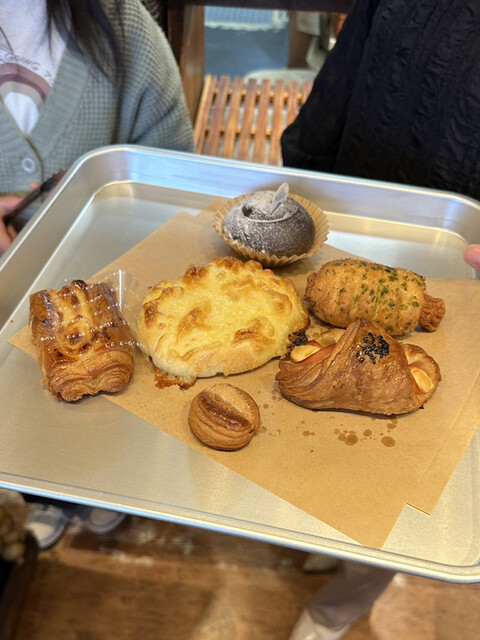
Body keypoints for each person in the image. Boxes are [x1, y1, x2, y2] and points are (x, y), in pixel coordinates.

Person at [281, 1, 480, 638]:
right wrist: (300, 175)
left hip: (461, 266)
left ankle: (335, 609)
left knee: (398, 475)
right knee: (315, 436)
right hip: (348, 222)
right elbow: (343, 77)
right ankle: (318, 530)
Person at [0, 0, 194, 548]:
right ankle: (47, 496)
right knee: (24, 433)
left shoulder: (124, 30)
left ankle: (98, 492)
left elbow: (174, 178)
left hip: (118, 304)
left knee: (107, 435)